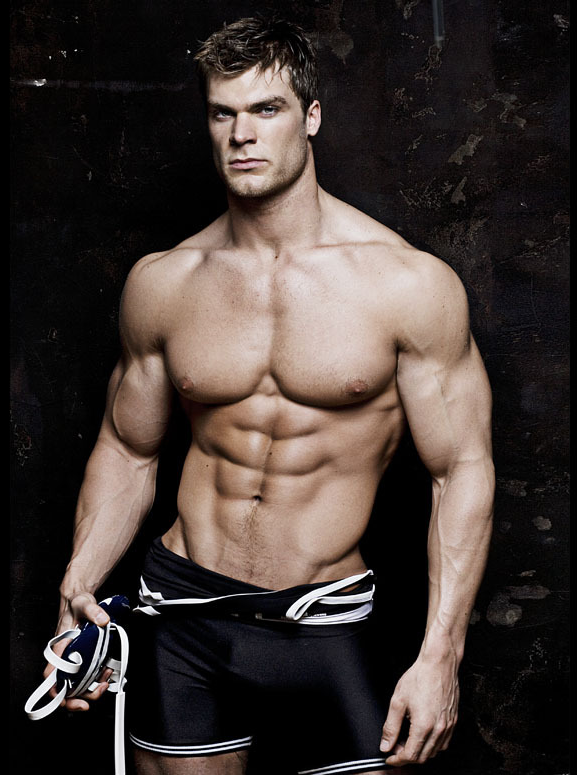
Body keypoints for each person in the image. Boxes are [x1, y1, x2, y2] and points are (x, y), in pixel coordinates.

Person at [46, 16, 495, 775]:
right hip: (181, 611)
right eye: (222, 113)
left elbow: (463, 471)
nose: (242, 135)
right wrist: (76, 589)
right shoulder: (164, 282)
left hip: (322, 622)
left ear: (310, 117)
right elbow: (127, 450)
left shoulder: (408, 285)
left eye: (266, 109)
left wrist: (440, 656)